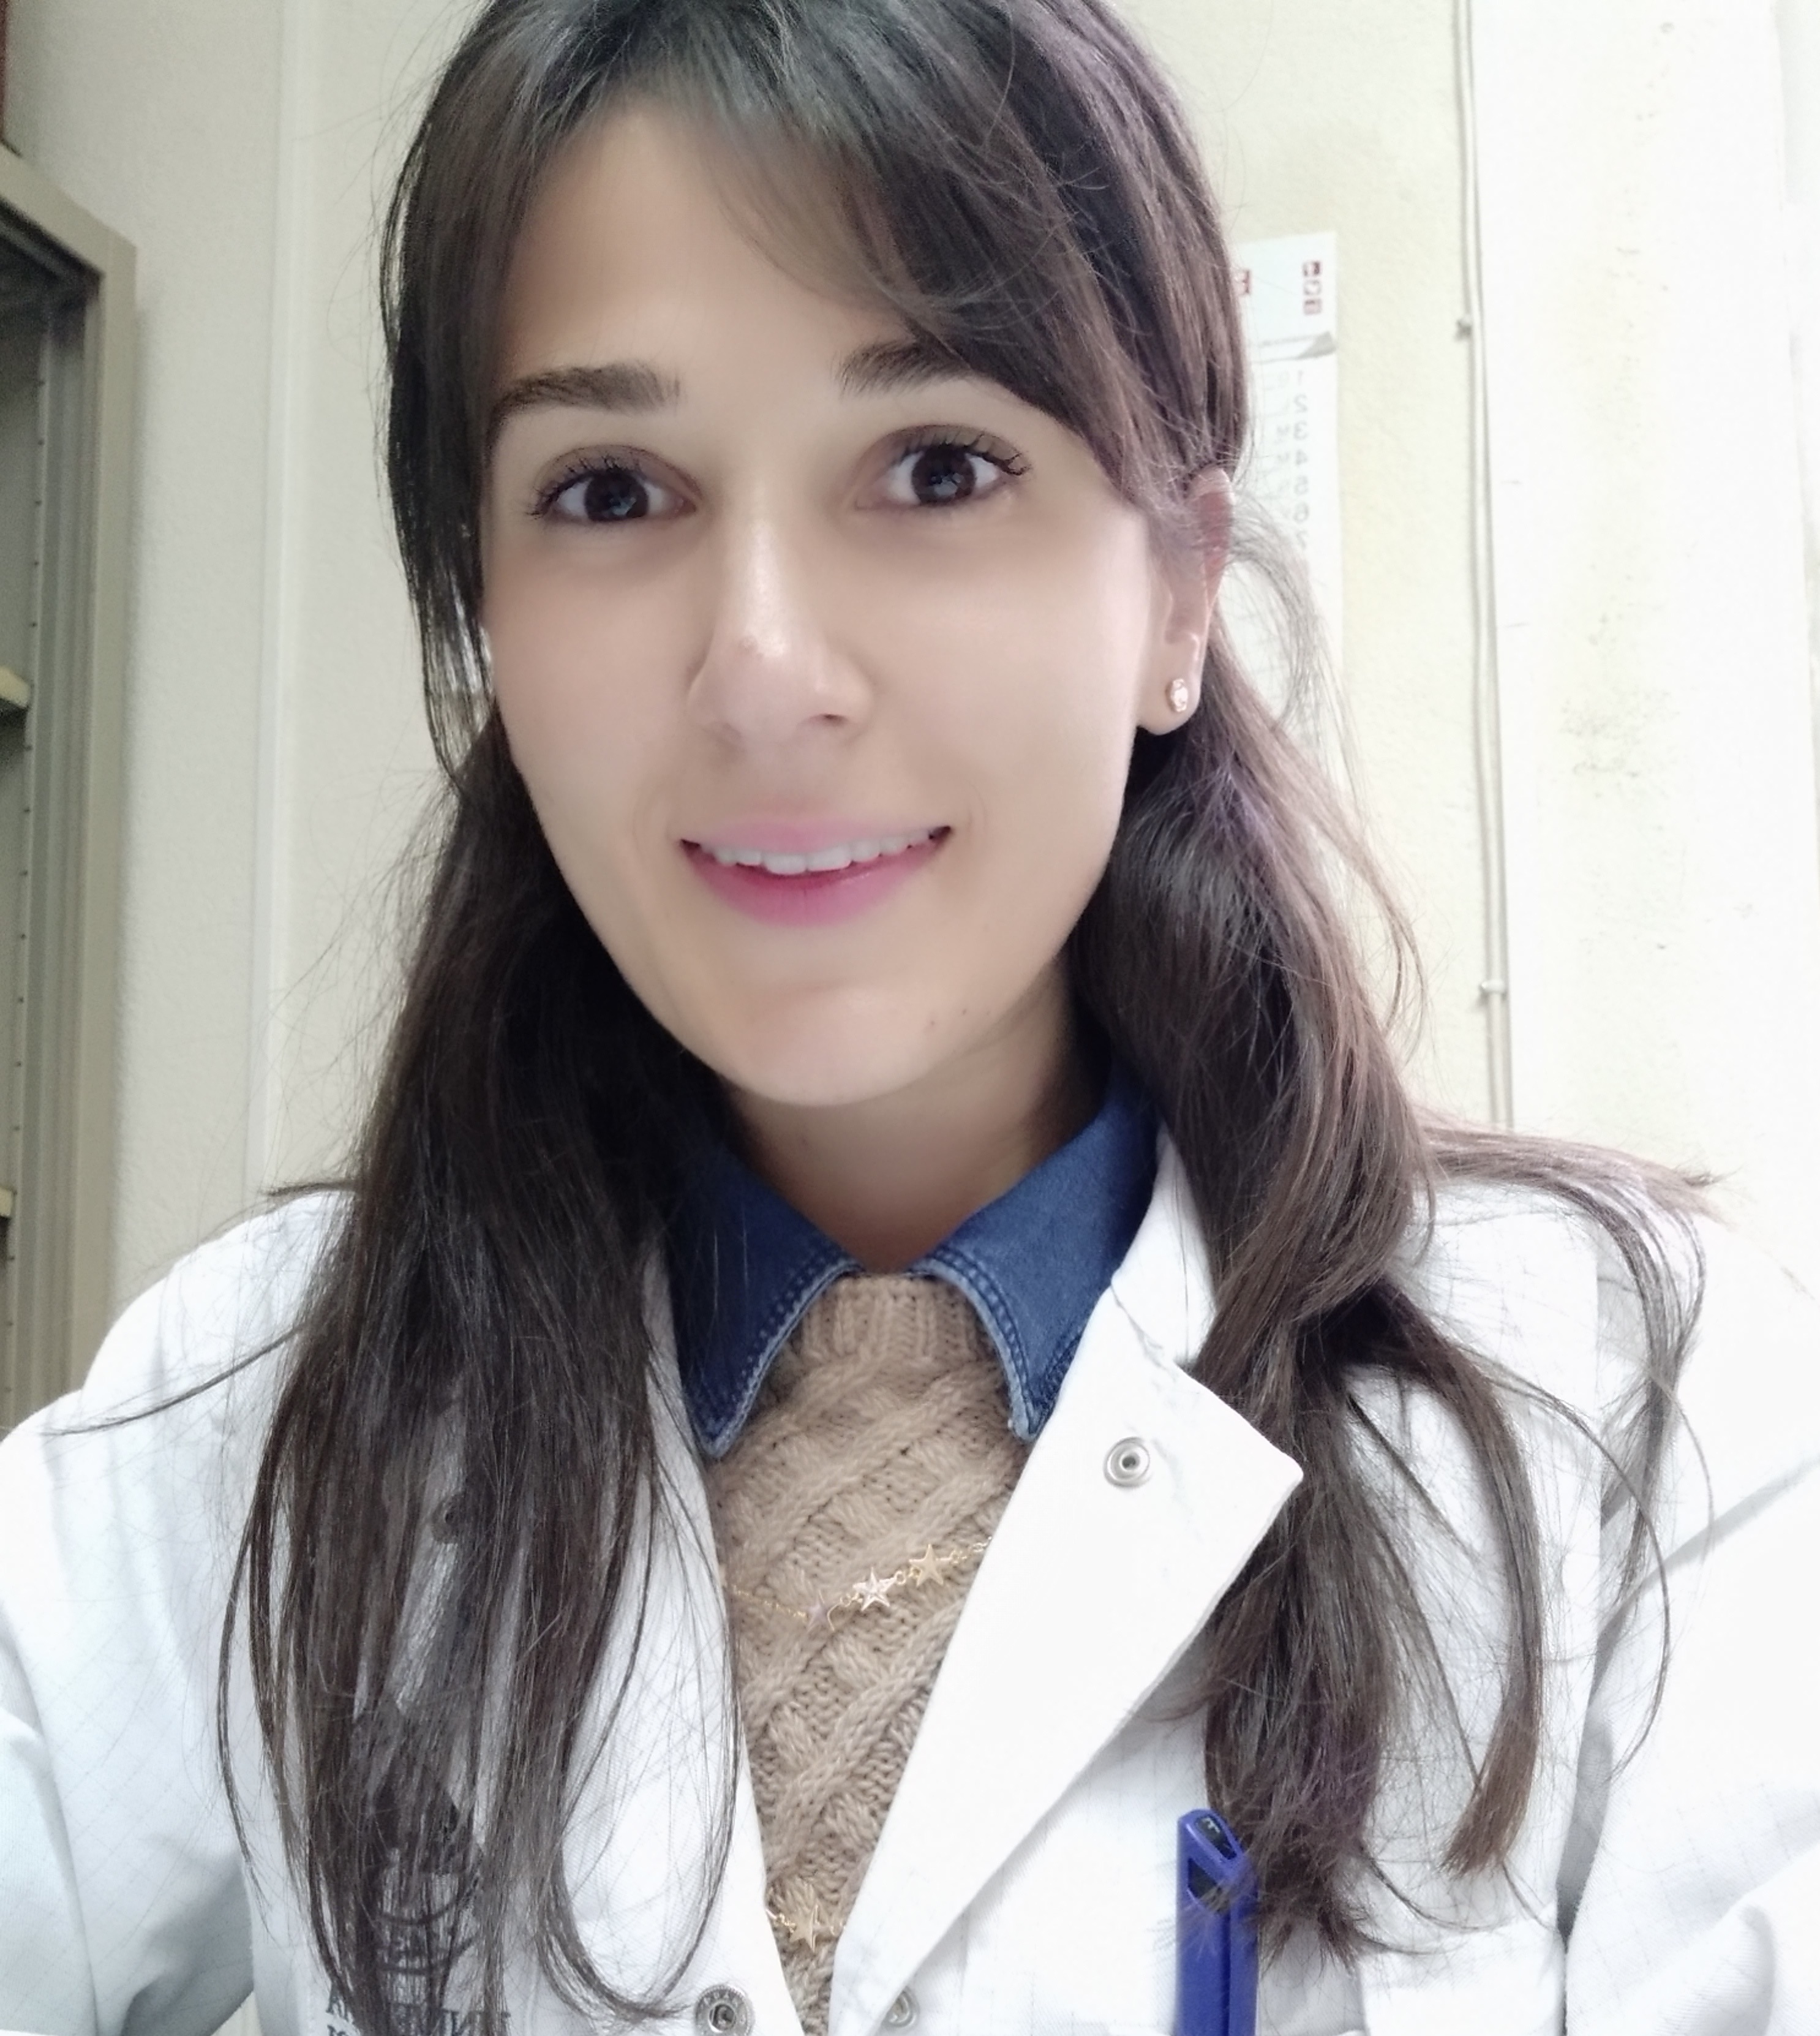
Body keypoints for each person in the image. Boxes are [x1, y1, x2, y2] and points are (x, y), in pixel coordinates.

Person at [2, 1, 1818, 2032]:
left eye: (937, 466)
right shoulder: (235, 1425)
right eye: (608, 490)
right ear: (483, 621)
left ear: (1176, 591)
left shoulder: (1633, 1422)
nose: (766, 671)